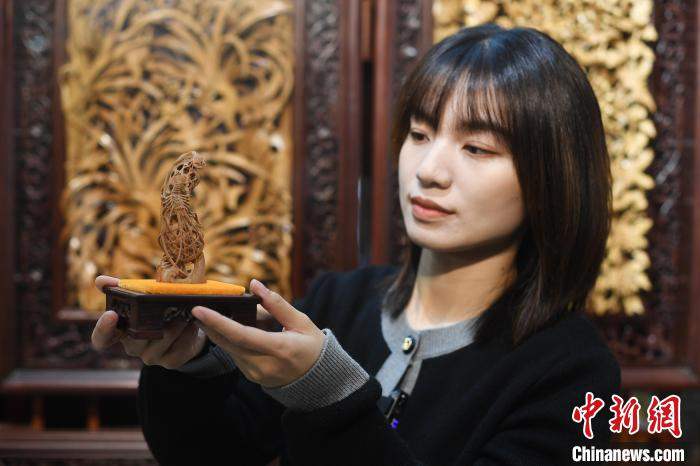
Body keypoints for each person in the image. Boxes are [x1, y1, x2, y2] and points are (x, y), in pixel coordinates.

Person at [91, 23, 621, 465]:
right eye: (419, 134)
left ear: (552, 176)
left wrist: (327, 394)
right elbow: (212, 453)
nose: (429, 170)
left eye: (477, 148)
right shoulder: (339, 303)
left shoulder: (573, 374)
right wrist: (184, 366)